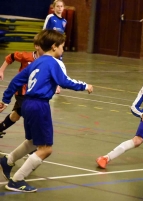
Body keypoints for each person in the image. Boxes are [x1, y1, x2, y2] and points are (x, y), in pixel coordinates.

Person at [0, 29, 93, 192]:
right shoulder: (55, 63)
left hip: (26, 104)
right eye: (62, 46)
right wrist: (85, 86)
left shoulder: (36, 62)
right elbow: (65, 81)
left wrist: (5, 99)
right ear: (54, 46)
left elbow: (16, 81)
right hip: (39, 106)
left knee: (32, 142)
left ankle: (8, 160)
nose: (63, 50)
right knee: (46, 149)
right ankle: (17, 180)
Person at [0, 35, 44, 139]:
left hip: (33, 93)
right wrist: (1, 70)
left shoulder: (47, 61)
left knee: (16, 115)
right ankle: (31, 144)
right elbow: (11, 57)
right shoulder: (26, 56)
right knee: (32, 116)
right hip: (22, 92)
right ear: (37, 46)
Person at [43, 0, 67, 94]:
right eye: (58, 6)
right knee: (47, 65)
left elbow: (62, 35)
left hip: (58, 48)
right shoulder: (50, 17)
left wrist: (62, 45)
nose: (60, 8)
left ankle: (57, 85)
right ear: (54, 7)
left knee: (59, 66)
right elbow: (44, 31)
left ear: (63, 8)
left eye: (61, 6)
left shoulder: (64, 21)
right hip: (49, 47)